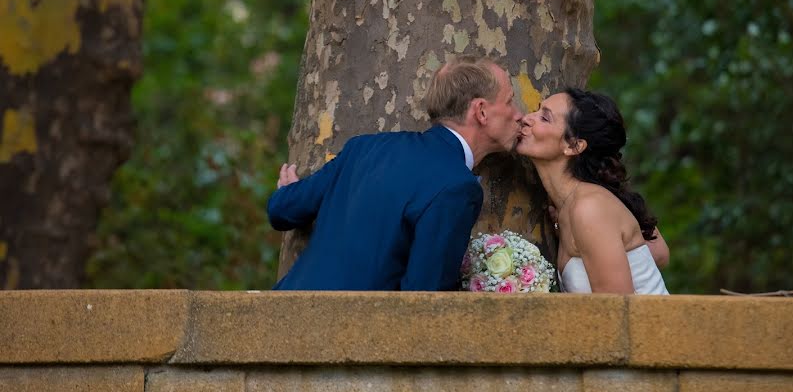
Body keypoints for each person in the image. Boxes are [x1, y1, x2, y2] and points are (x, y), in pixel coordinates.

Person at [268, 56, 523, 290]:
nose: (519, 114)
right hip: (347, 332)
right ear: (481, 111)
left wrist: (288, 191)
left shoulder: (365, 148)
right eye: (510, 101)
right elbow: (424, 298)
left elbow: (282, 209)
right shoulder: (457, 187)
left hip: (283, 312)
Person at [517, 88, 669, 294]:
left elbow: (615, 312)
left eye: (544, 117)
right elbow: (658, 253)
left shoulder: (589, 208)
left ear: (574, 146)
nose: (526, 118)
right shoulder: (570, 207)